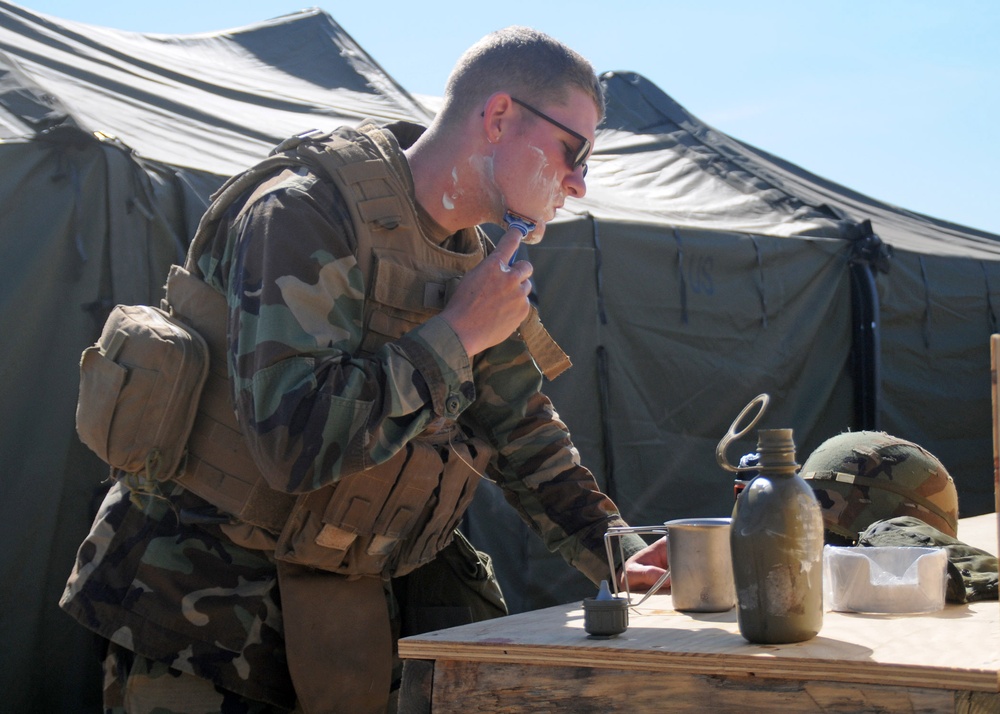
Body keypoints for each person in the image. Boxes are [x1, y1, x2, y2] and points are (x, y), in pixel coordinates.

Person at [61, 26, 665, 714]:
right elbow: (293, 441)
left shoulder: (473, 261)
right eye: (573, 150)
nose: (580, 183)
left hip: (339, 620)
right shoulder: (304, 212)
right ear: (498, 117)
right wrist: (456, 335)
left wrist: (621, 554)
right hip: (198, 621)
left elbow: (526, 435)